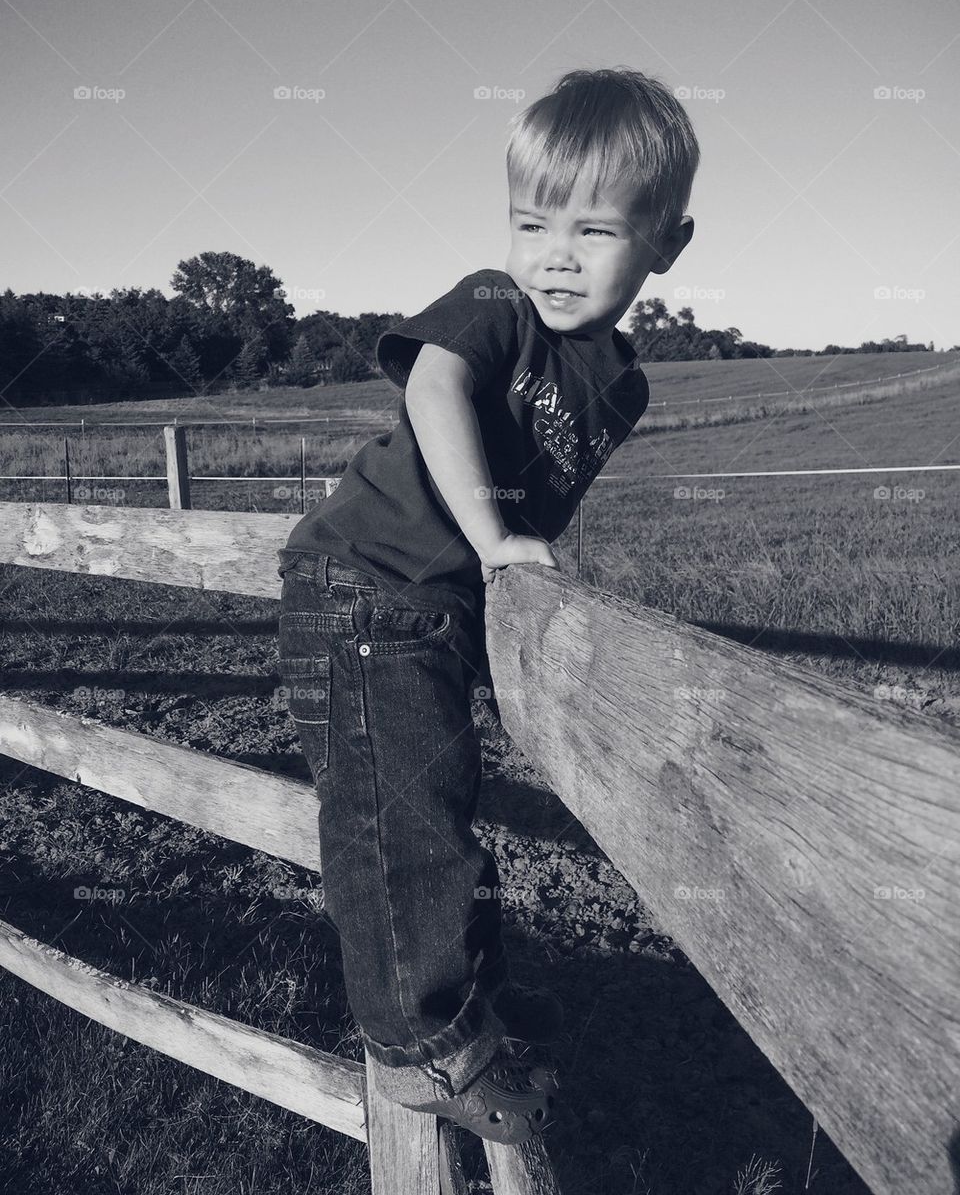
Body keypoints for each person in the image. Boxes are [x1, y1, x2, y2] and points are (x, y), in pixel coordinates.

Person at [275, 65, 698, 1145]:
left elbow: (541, 493)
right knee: (398, 822)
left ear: (668, 242)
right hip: (365, 586)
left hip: (433, 610)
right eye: (531, 221)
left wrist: (506, 580)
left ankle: (475, 1004)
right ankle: (422, 1045)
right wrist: (496, 541)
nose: (555, 252)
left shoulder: (624, 384)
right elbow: (434, 386)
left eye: (595, 230)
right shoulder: (497, 303)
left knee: (444, 806)